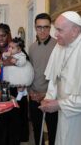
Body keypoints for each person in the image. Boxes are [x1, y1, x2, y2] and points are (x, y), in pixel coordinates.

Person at [40, 11, 81, 145]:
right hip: (62, 111)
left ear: (74, 31)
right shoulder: (61, 43)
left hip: (79, 116)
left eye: (59, 30)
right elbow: (54, 77)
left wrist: (59, 104)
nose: (55, 34)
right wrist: (49, 97)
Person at [28, 13, 57, 145]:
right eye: (39, 27)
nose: (42, 30)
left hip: (51, 98)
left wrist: (46, 94)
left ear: (50, 28)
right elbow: (30, 72)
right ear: (35, 28)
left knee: (53, 132)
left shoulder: (58, 46)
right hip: (34, 98)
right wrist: (30, 91)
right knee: (37, 130)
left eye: (46, 27)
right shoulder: (32, 47)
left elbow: (61, 76)